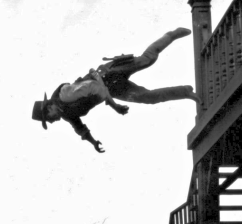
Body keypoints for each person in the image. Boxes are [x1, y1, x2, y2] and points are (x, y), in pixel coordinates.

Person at [31, 27, 201, 153]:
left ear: (49, 108)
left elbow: (95, 87)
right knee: (147, 97)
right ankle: (185, 92)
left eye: (49, 119)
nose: (53, 121)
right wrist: (93, 142)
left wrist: (115, 107)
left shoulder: (65, 95)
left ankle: (171, 35)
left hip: (108, 74)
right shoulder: (66, 113)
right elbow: (79, 128)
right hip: (113, 89)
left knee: (147, 60)